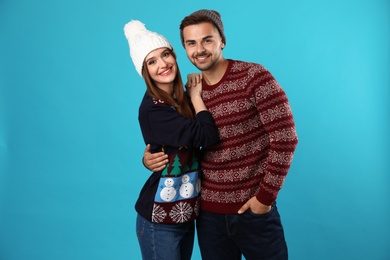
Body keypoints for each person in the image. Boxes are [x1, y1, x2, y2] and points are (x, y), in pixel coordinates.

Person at [143, 9, 298, 260]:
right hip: (208, 216)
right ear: (184, 48)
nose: (199, 49)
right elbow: (182, 143)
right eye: (191, 43)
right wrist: (149, 158)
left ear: (222, 41)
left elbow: (285, 139)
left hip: (253, 212)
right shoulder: (188, 95)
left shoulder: (254, 77)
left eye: (207, 40)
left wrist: (264, 198)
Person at [123, 20, 219, 260]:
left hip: (184, 213)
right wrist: (196, 97)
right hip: (159, 220)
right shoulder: (154, 110)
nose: (163, 64)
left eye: (165, 54)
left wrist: (191, 96)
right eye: (152, 61)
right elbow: (207, 136)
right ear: (144, 71)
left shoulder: (177, 100)